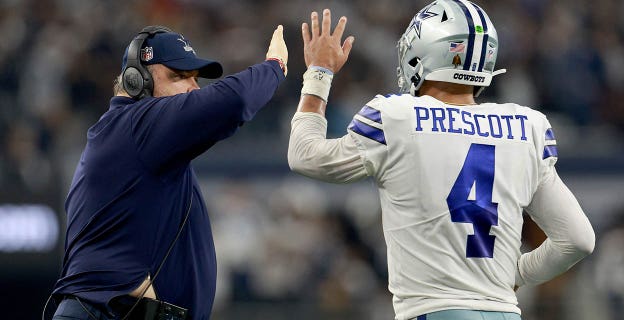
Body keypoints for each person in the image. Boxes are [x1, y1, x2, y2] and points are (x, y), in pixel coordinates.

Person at [288, 4, 595, 320]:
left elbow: (305, 155)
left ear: (424, 52)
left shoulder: (396, 116)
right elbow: (578, 239)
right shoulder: (526, 125)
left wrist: (319, 72)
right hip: (505, 312)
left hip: (433, 311)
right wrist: (516, 275)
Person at [47, 24, 287, 320]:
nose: (193, 88)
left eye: (195, 79)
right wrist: (276, 65)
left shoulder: (138, 140)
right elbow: (234, 100)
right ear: (137, 82)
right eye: (178, 76)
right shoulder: (136, 124)